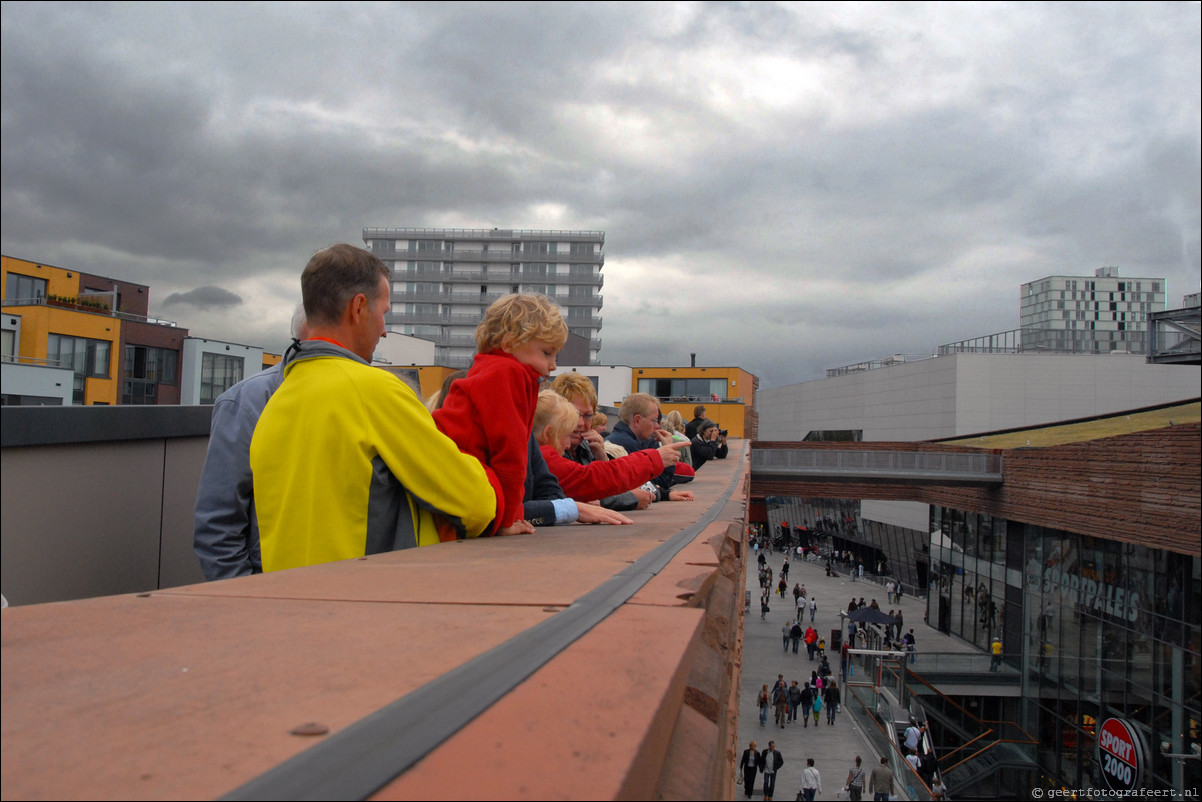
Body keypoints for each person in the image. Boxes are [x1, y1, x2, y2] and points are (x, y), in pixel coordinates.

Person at [250, 245, 499, 571]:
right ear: (358, 307)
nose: (384, 329)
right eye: (384, 312)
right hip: (366, 602)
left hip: (289, 605)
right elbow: (476, 504)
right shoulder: (375, 391)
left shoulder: (276, 402)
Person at [433, 293, 567, 535]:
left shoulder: (488, 367)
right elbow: (510, 453)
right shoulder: (509, 374)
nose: (553, 364)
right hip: (469, 477)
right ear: (509, 344)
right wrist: (505, 522)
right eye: (546, 353)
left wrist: (515, 514)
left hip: (452, 474)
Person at [193, 302, 307, 580]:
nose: (383, 331)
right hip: (271, 595)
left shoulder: (366, 394)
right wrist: (247, 599)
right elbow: (219, 524)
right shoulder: (248, 401)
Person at [603, 392, 694, 503]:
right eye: (654, 420)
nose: (657, 426)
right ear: (637, 420)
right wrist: (669, 451)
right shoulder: (626, 445)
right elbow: (655, 484)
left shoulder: (627, 440)